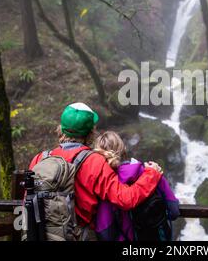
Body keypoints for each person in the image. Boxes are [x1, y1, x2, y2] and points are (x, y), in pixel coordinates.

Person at [29, 102, 163, 240]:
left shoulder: (40, 159)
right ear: (91, 132)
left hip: (40, 234)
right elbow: (125, 199)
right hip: (78, 235)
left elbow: (27, 201)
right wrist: (152, 174)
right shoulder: (94, 161)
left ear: (61, 128)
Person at [93, 131, 179, 241]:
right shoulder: (153, 173)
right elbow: (174, 211)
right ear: (123, 149)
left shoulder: (107, 186)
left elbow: (105, 233)